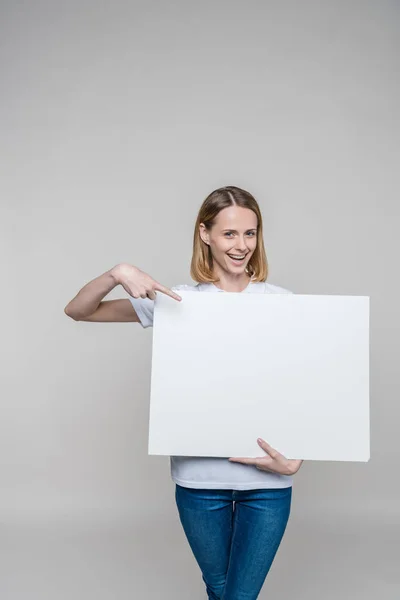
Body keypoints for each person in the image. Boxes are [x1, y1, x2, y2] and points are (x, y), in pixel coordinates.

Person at [64, 185, 303, 600]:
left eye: (250, 233)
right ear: (205, 234)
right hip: (199, 480)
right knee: (220, 587)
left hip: (268, 484)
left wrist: (296, 457)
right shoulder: (176, 302)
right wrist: (119, 272)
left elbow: (305, 389)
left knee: (239, 595)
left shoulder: (284, 303)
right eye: (229, 234)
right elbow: (79, 311)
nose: (241, 245)